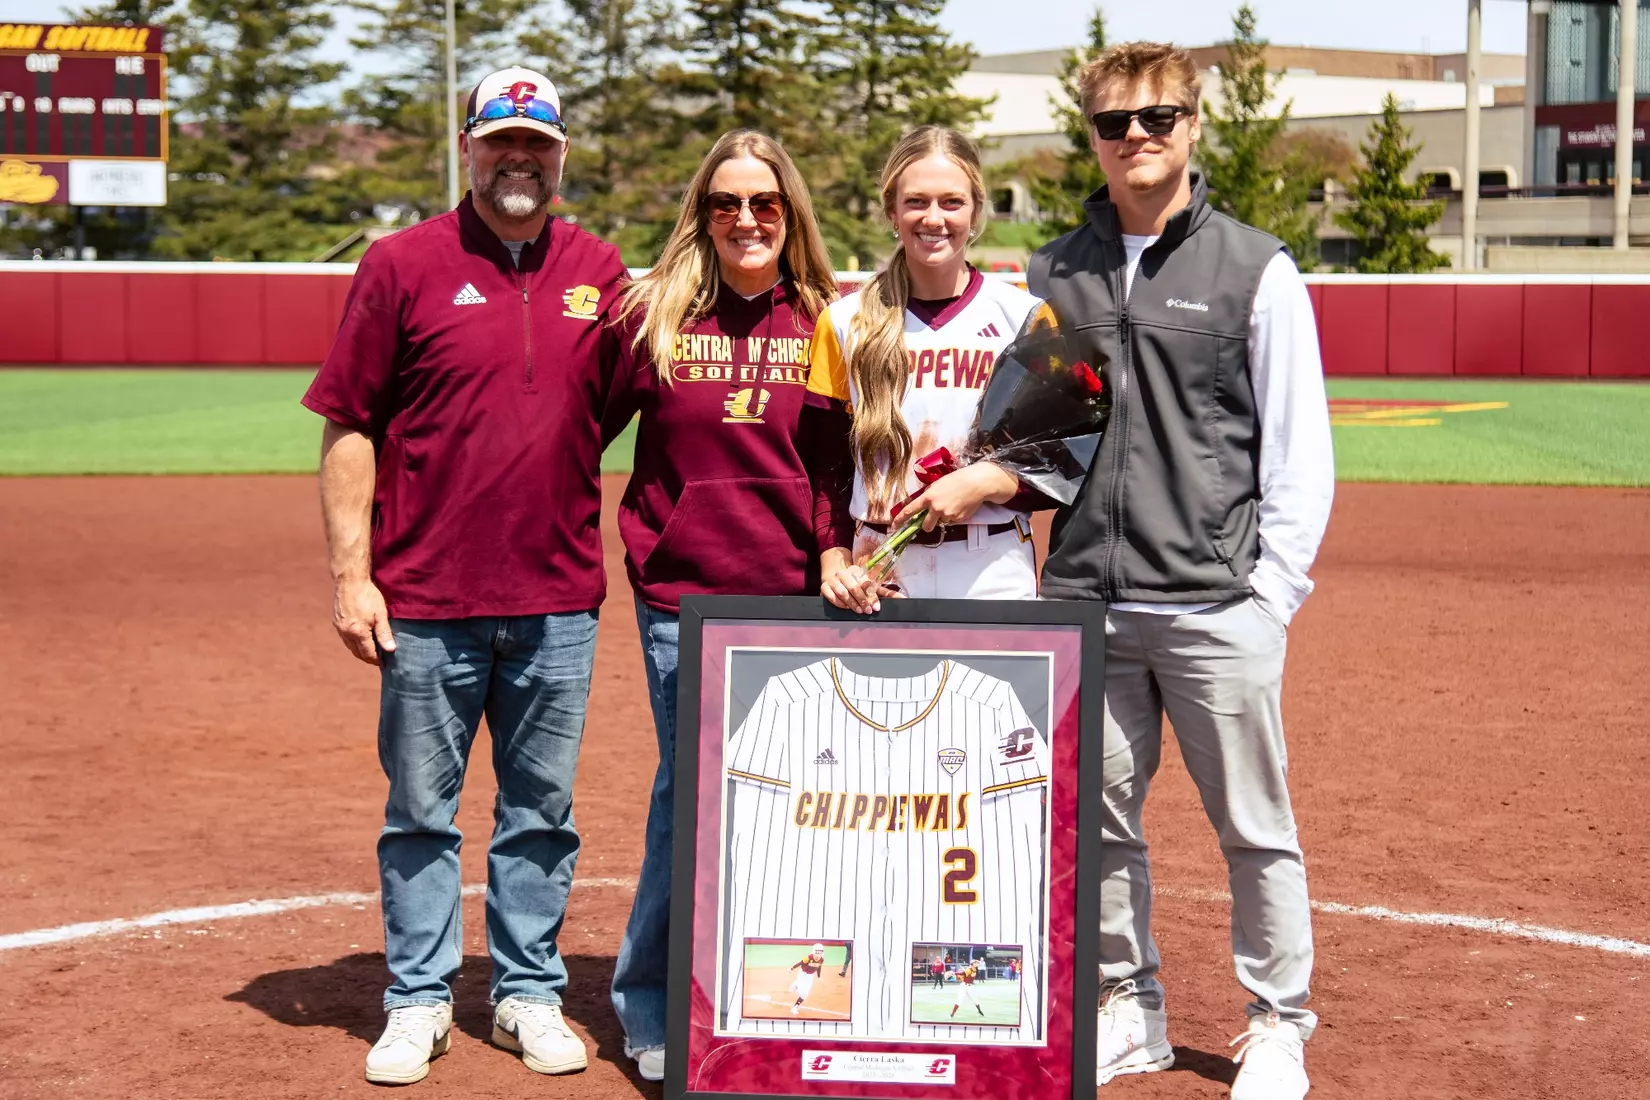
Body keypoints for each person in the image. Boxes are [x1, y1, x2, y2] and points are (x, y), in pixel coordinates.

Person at [302, 66, 627, 1086]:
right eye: (501, 141)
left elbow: (603, 413)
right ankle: (418, 997)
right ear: (469, 148)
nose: (519, 157)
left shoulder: (600, 268)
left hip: (558, 597)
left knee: (541, 810)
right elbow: (349, 422)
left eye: (536, 142)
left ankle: (527, 991)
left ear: (560, 153)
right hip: (429, 599)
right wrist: (352, 573)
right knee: (420, 812)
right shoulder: (401, 263)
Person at [1027, 43, 1334, 1100]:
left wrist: (1269, 595)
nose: (1137, 138)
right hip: (1087, 602)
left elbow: (1300, 450)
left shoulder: (1257, 266)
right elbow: (1029, 435)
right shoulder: (1053, 267)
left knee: (1254, 823)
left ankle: (1277, 1020)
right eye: (1115, 124)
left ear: (1193, 126)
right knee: (1101, 823)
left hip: (1213, 603)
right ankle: (1130, 1006)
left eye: (1158, 118)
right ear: (1094, 138)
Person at [601, 130, 839, 1083]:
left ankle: (782, 995)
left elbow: (833, 462)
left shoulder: (825, 319)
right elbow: (570, 435)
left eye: (766, 203)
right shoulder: (652, 318)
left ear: (791, 216)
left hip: (792, 602)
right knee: (687, 799)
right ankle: (652, 1002)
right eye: (727, 203)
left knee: (795, 807)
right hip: (684, 602)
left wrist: (833, 554)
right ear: (702, 214)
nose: (747, 220)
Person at [806, 126, 1042, 613]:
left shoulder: (1025, 317)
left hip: (991, 562)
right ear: (892, 210)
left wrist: (986, 482)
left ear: (976, 211)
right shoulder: (846, 321)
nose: (933, 218)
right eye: (916, 201)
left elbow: (1054, 460)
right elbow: (823, 461)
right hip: (879, 566)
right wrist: (833, 556)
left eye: (952, 202)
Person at [787, 943, 828, 1015]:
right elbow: (800, 963)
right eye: (817, 954)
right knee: (801, 991)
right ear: (814, 952)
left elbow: (819, 967)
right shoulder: (808, 958)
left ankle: (795, 1006)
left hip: (810, 976)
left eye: (820, 954)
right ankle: (795, 985)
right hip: (802, 974)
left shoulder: (821, 959)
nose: (818, 956)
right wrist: (792, 968)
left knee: (805, 994)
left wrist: (819, 977)